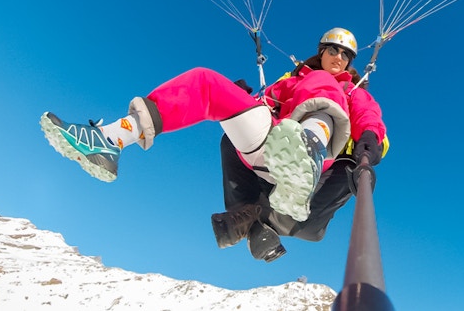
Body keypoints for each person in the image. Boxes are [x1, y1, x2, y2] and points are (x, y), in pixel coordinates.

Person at [41, 27, 387, 262]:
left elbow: (371, 123)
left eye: (346, 54)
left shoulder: (353, 92)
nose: (338, 57)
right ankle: (111, 139)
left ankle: (306, 151)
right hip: (269, 146)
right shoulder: (291, 80)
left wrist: (369, 144)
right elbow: (265, 104)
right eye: (332, 50)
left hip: (316, 158)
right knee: (207, 82)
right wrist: (242, 98)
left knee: (325, 87)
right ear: (321, 50)